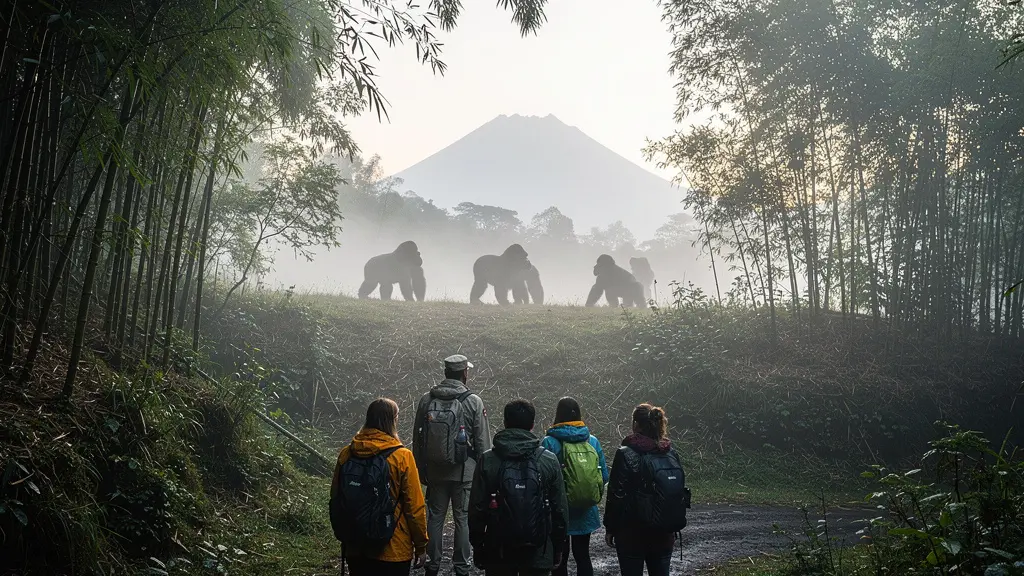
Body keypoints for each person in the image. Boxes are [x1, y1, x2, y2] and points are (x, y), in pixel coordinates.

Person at [469, 398, 569, 576]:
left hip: (498, 550)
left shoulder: (488, 460)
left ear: (505, 423)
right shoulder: (548, 460)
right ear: (532, 425)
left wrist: (478, 545)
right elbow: (559, 509)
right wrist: (558, 547)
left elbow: (477, 508)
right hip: (539, 551)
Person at [329, 398, 428, 576]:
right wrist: (421, 546)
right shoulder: (402, 457)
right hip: (393, 548)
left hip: (356, 545)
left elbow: (336, 497)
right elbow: (414, 508)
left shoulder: (347, 453)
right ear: (393, 420)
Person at [413, 354, 491, 576]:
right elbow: (483, 441)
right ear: (464, 373)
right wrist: (484, 474)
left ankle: (432, 564)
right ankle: (462, 567)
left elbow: (418, 438)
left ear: (446, 372)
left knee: (435, 516)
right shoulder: (473, 401)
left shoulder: (426, 399)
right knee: (462, 518)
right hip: (465, 471)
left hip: (435, 470)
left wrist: (420, 467)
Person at [604, 403, 690, 576]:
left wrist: (610, 528)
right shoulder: (670, 453)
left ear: (636, 424)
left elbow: (617, 495)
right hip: (664, 533)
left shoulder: (625, 453)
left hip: (631, 535)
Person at [541, 397, 608, 576]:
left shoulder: (549, 442)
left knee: (559, 558)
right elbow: (604, 476)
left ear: (558, 415)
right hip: (585, 508)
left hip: (558, 510)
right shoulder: (592, 441)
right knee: (583, 556)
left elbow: (540, 478)